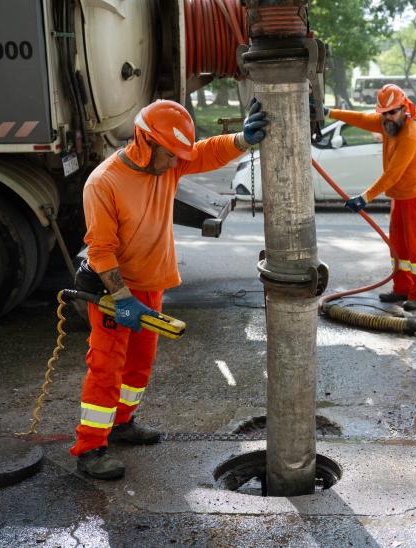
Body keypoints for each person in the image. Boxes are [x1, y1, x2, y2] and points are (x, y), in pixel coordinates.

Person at [71, 99, 269, 479]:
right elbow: (101, 250)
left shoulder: (168, 166)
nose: (177, 163)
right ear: (145, 142)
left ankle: (122, 424)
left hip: (152, 284)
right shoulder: (104, 183)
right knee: (106, 368)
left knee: (138, 366)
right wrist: (122, 298)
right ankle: (91, 447)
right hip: (114, 293)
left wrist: (242, 141)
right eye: (169, 154)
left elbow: (205, 153)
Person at [328, 84, 416, 311]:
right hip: (400, 196)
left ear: (404, 108)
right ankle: (401, 288)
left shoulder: (410, 136)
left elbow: (393, 174)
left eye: (392, 112)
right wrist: (329, 112)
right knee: (398, 246)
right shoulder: (388, 125)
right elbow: (360, 118)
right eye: (384, 113)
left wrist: (365, 197)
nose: (388, 117)